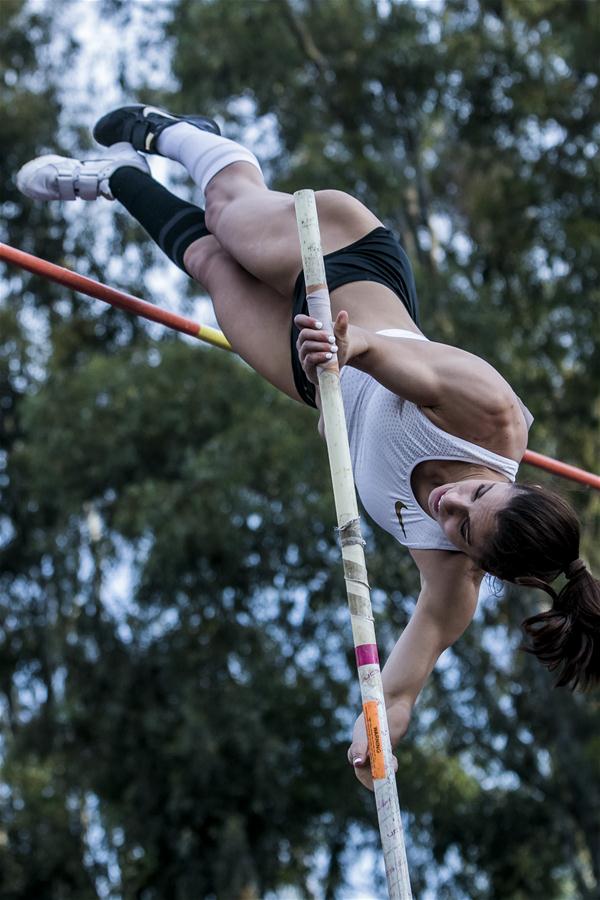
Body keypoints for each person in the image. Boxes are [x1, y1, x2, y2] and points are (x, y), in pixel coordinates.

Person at [17, 105, 600, 791]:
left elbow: (402, 689)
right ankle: (168, 132)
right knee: (229, 214)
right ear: (516, 482)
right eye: (474, 496)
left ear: (476, 562)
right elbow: (392, 359)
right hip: (345, 273)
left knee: (210, 263)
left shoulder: (452, 584)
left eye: (459, 531)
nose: (448, 507)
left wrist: (375, 735)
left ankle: (116, 179)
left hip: (312, 373)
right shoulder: (495, 418)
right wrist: (350, 347)